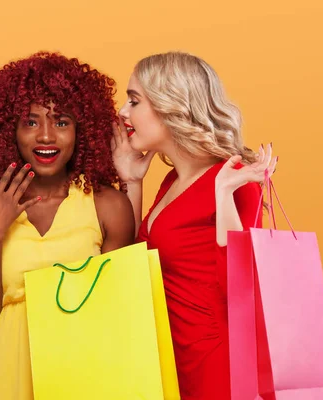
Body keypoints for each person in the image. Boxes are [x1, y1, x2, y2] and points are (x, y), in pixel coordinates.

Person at [0, 52, 135, 400]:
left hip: (84, 379)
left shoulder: (108, 206)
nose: (47, 137)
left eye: (62, 122)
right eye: (31, 122)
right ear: (10, 129)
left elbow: (119, 315)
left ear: (83, 129)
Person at [112, 52, 277, 399]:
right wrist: (131, 181)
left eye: (134, 100)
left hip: (215, 366)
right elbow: (132, 270)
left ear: (170, 104)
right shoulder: (171, 181)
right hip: (172, 360)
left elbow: (242, 291)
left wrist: (225, 194)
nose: (123, 112)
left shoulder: (234, 180)